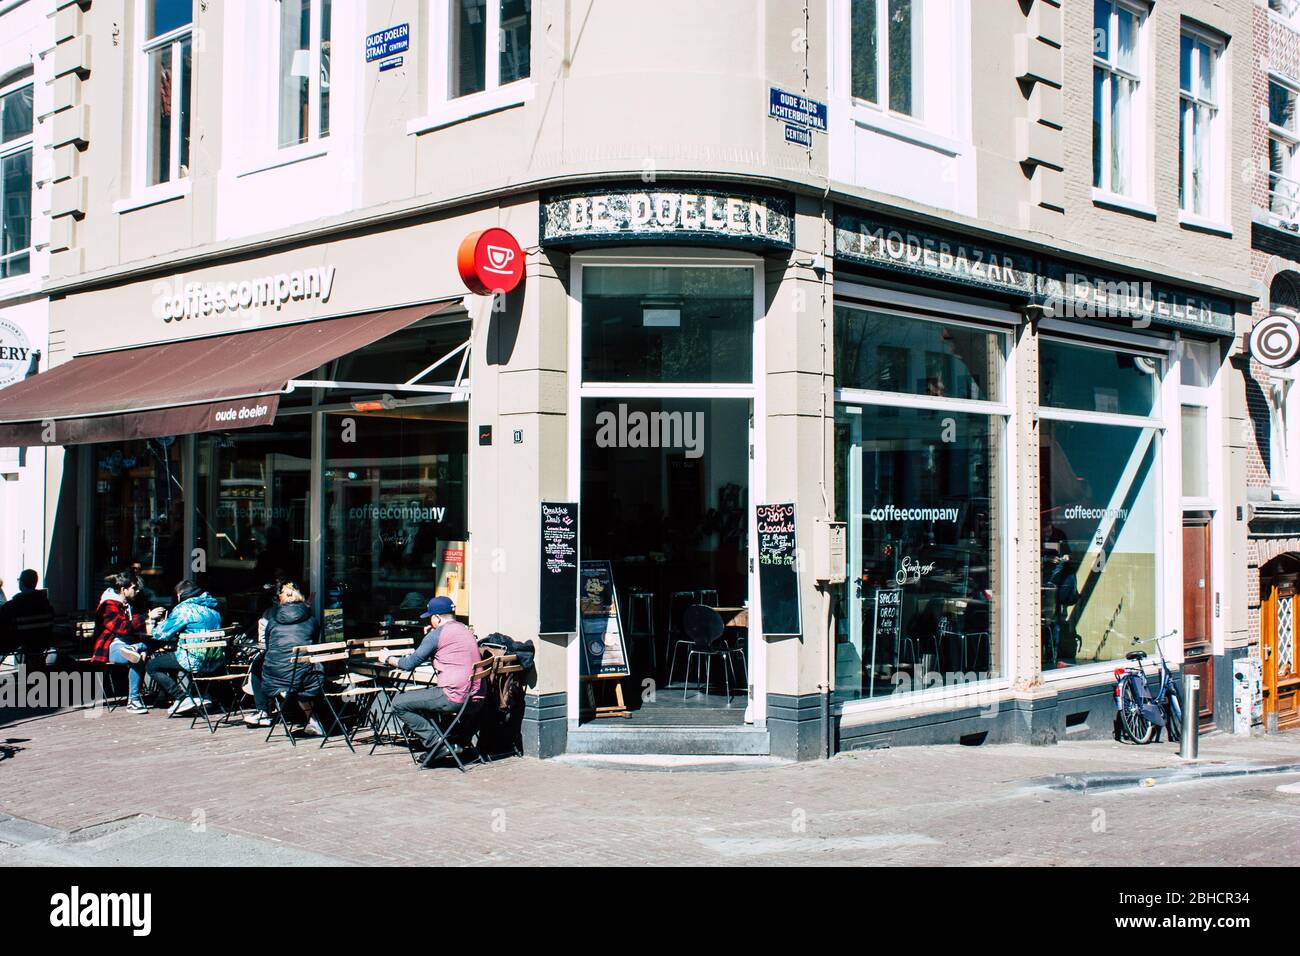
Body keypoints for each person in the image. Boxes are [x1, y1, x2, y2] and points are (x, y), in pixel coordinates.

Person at [383, 596, 485, 761]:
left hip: (454, 696)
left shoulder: (437, 634)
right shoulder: (464, 629)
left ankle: (437, 744)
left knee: (398, 703)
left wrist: (387, 658)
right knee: (425, 700)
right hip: (476, 697)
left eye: (430, 617)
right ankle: (452, 741)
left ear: (437, 618)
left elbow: (409, 663)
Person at [248, 582, 325, 735]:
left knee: (258, 666)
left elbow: (269, 647)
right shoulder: (311, 620)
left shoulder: (273, 621)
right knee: (302, 672)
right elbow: (314, 643)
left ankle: (264, 711)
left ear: (280, 599)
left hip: (277, 676)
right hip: (305, 676)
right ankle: (312, 719)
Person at [145, 580, 224, 717]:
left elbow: (160, 634)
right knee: (172, 660)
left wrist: (156, 623)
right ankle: (198, 695)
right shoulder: (213, 608)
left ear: (180, 594)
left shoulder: (184, 609)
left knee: (152, 666)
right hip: (214, 660)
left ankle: (182, 697)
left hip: (194, 659)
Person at [91, 571, 165, 714]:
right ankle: (133, 701)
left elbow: (133, 624)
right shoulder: (109, 604)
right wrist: (147, 617)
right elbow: (121, 627)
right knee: (137, 658)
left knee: (157, 642)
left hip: (130, 642)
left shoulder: (128, 603)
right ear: (123, 589)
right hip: (112, 645)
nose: (137, 591)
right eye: (134, 588)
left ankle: (136, 649)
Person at [0, 569, 55, 662]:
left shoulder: (15, 604)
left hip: (20, 641)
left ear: (21, 583)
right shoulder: (45, 603)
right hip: (42, 641)